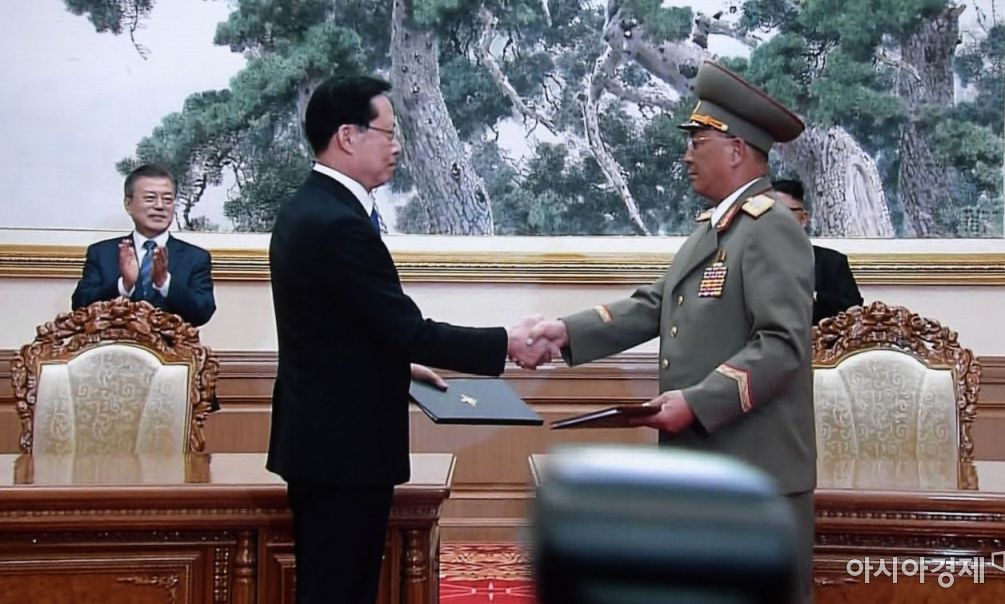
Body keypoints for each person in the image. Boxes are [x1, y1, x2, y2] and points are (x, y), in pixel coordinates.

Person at [529, 61, 817, 601]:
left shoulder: (771, 228)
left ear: (736, 149)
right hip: (708, 464)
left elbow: (782, 345)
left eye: (697, 141)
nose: (686, 155)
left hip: (755, 473)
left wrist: (697, 403)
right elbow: (654, 305)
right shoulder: (716, 228)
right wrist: (562, 333)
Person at [266, 74, 550, 604]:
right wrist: (507, 342)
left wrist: (395, 363)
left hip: (323, 441)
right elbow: (406, 329)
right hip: (343, 448)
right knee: (338, 590)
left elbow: (343, 327)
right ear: (347, 136)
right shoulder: (337, 223)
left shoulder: (308, 207)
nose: (397, 146)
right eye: (388, 132)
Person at [71, 164, 216, 327]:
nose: (160, 206)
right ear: (128, 204)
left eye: (167, 199)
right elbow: (80, 306)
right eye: (150, 198)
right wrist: (124, 285)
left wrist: (165, 283)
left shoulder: (195, 257)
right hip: (115, 341)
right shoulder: (102, 253)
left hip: (171, 343)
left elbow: (203, 312)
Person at [772, 178, 864, 324]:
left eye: (783, 211)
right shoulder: (750, 261)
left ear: (803, 219)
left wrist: (812, 296)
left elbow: (854, 311)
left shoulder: (833, 263)